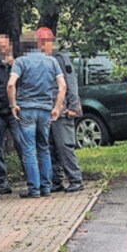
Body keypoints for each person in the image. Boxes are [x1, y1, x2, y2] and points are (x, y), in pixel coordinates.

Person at [7, 30, 66, 198]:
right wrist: (56, 107)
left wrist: (13, 105)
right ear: (38, 44)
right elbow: (62, 86)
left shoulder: (20, 62)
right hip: (45, 110)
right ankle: (46, 187)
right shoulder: (52, 62)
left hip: (26, 109)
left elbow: (11, 84)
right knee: (44, 147)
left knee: (28, 149)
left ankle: (34, 189)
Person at [39, 28, 85, 193]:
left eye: (44, 42)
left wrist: (73, 106)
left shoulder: (61, 58)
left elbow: (71, 82)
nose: (42, 46)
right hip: (47, 109)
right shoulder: (42, 60)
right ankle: (56, 181)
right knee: (51, 146)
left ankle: (75, 179)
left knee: (64, 145)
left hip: (63, 109)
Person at [0, 34, 23, 194]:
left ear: (10, 46)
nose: (3, 49)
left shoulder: (19, 64)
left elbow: (25, 84)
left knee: (22, 144)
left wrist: (13, 65)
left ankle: (32, 178)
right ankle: (1, 182)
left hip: (15, 111)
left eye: (5, 45)